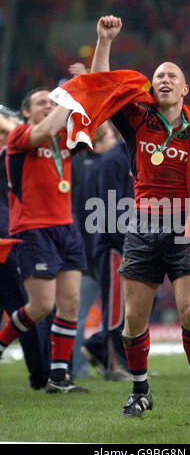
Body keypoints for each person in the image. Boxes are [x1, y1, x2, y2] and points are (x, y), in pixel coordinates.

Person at [50, 15, 190, 417]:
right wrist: (103, 40)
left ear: (184, 88)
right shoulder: (137, 119)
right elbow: (100, 88)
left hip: (182, 227)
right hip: (141, 227)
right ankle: (140, 391)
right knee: (133, 320)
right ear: (152, 84)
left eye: (171, 76)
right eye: (158, 75)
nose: (163, 80)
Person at [0, 87, 89, 393]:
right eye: (42, 103)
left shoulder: (63, 137)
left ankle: (59, 378)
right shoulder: (19, 137)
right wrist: (69, 95)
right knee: (40, 306)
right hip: (33, 229)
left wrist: (87, 79)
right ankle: (1, 342)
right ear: (25, 112)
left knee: (71, 304)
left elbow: (96, 118)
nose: (50, 106)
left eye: (53, 102)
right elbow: (49, 128)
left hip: (67, 228)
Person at [0, 114, 53, 390]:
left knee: (28, 308)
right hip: (9, 242)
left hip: (10, 244)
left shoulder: (16, 152)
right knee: (27, 306)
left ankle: (41, 374)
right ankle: (41, 374)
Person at [81, 130, 134, 381]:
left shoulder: (128, 156)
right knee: (116, 309)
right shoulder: (115, 159)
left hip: (128, 243)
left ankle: (104, 352)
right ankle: (115, 366)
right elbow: (108, 205)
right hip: (116, 246)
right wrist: (122, 241)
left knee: (127, 307)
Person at [71, 120, 119, 379]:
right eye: (111, 134)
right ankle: (79, 369)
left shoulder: (110, 164)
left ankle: (102, 359)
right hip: (91, 251)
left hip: (103, 248)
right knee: (79, 313)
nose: (115, 139)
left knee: (114, 311)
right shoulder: (81, 163)